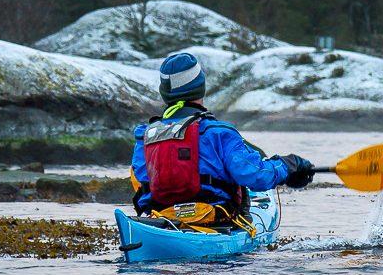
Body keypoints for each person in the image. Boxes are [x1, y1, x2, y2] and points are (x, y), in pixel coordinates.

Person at [131, 52, 314, 227]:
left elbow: (140, 179)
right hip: (216, 218)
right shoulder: (219, 132)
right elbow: (254, 174)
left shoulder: (145, 135)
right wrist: (288, 166)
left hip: (163, 218)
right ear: (199, 87)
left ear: (164, 93)